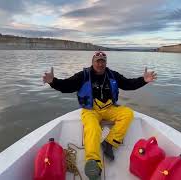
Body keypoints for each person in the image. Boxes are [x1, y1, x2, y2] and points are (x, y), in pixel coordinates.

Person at [42, 51, 157, 179]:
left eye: (103, 61)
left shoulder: (113, 75)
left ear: (106, 63)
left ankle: (110, 142)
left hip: (109, 108)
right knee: (92, 128)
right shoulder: (83, 75)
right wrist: (53, 81)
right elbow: (67, 86)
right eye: (98, 61)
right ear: (93, 62)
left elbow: (128, 84)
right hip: (90, 110)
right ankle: (94, 164)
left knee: (127, 114)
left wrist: (144, 80)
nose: (100, 64)